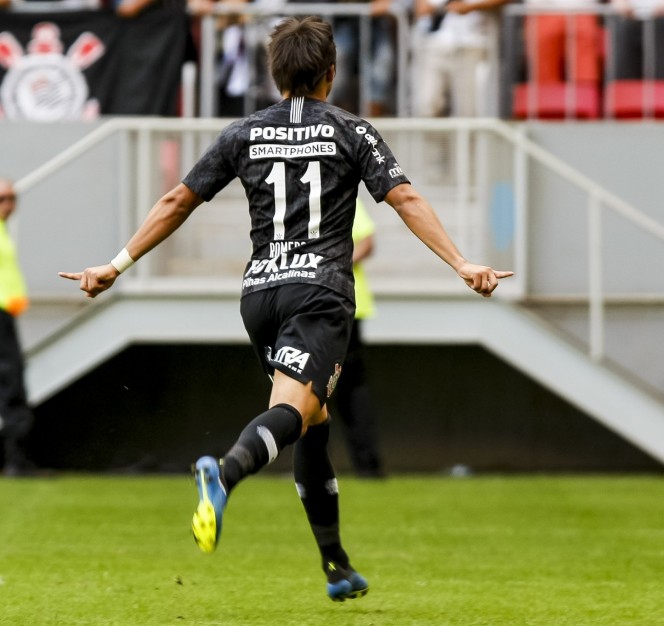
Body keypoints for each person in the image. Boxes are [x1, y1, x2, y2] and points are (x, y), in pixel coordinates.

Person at [58, 15, 512, 601]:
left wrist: (113, 266)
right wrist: (460, 262)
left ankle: (336, 565)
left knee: (313, 419)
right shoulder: (353, 131)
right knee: (298, 412)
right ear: (331, 73)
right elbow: (404, 196)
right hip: (319, 292)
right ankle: (223, 474)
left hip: (259, 296)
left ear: (275, 78)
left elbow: (177, 199)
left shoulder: (243, 132)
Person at [330, 199, 385, 478]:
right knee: (343, 389)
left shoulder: (343, 195)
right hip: (332, 305)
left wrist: (332, 268)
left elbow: (367, 242)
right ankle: (366, 464)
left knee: (348, 389)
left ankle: (367, 464)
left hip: (346, 306)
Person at [411, 0, 511, 117]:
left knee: (467, 108)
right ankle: (435, 136)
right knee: (427, 105)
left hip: (472, 43)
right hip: (434, 42)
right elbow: (421, 9)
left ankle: (467, 135)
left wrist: (471, 7)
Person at [0, 178, 36, 477]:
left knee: (12, 380)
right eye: (2, 198)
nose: (8, 204)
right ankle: (15, 460)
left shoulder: (5, 231)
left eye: (12, 198)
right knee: (12, 381)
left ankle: (16, 458)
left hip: (6, 313)